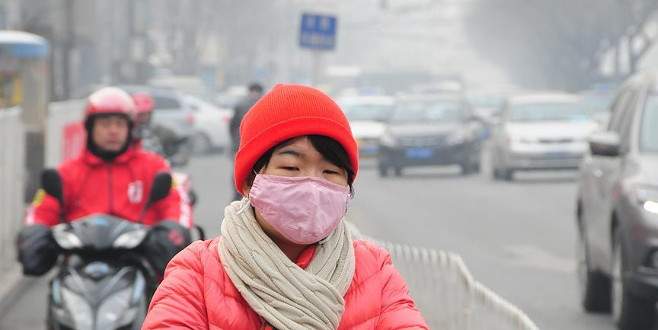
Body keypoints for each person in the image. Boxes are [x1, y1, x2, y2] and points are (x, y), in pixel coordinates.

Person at [142, 84, 428, 329]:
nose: (312, 186)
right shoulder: (198, 273)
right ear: (249, 182)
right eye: (292, 167)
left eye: (330, 172)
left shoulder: (373, 270)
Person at [16, 87, 193, 278]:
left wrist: (172, 230)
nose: (113, 131)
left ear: (129, 128)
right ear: (90, 128)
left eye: (119, 124)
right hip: (79, 269)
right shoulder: (66, 173)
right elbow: (41, 211)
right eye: (105, 124)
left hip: (139, 266)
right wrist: (35, 233)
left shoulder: (154, 167)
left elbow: (176, 204)